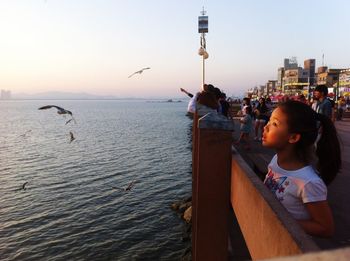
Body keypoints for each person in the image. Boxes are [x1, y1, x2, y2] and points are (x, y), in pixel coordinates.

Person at [262, 100, 341, 237]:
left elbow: (325, 228)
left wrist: (280, 220)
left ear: (293, 137)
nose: (266, 127)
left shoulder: (308, 182)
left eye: (274, 124)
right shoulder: (276, 160)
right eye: (269, 121)